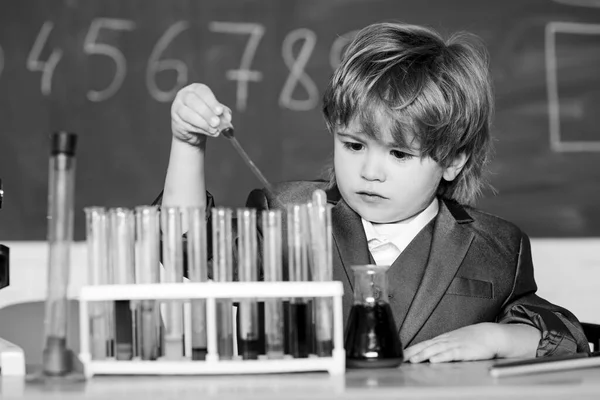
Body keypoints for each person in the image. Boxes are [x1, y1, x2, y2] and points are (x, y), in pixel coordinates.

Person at [158, 21, 590, 362]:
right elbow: (185, 245)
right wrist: (187, 142)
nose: (369, 171)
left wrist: (498, 337)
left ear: (453, 160)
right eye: (353, 145)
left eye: (399, 154)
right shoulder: (286, 211)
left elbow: (564, 335)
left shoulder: (497, 245)